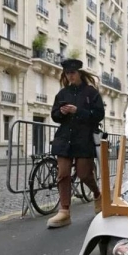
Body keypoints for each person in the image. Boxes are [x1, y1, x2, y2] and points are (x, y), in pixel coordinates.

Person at [47, 59, 105, 228]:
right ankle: (64, 212)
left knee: (84, 173)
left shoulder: (91, 93)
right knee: (63, 174)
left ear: (79, 73)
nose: (70, 76)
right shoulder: (62, 94)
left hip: (84, 138)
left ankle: (97, 194)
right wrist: (62, 112)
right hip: (65, 138)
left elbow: (98, 114)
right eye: (67, 73)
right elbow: (54, 115)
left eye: (72, 73)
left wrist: (78, 111)